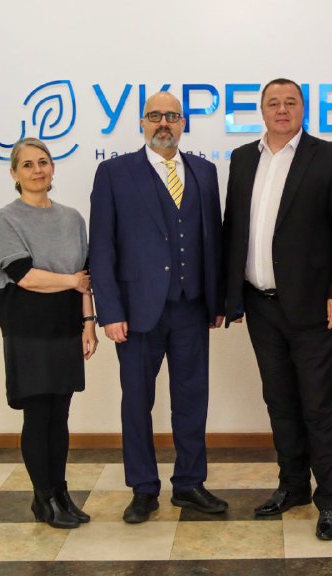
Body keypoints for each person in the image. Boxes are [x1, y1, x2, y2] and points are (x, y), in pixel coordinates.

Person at [222, 78, 332, 541]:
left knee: (321, 407)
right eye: (273, 103)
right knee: (280, 402)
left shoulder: (330, 156)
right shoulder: (243, 158)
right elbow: (233, 230)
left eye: (290, 102)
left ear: (303, 108)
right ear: (261, 110)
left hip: (316, 308)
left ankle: (331, 500)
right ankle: (293, 486)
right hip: (260, 306)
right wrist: (229, 297)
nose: (282, 109)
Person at [89, 91, 227, 524]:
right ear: (142, 123)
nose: (163, 123)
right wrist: (110, 311)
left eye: (171, 116)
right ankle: (143, 488)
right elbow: (101, 246)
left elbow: (213, 240)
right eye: (155, 116)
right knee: (137, 403)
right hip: (136, 312)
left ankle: (189, 483)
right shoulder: (114, 173)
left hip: (192, 308)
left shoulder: (204, 172)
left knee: (192, 399)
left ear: (183, 123)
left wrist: (217, 299)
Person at [0, 137, 97, 529]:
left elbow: (85, 278)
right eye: (28, 165)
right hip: (28, 330)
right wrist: (70, 281)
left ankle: (61, 492)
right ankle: (43, 497)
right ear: (14, 173)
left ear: (53, 167)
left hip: (65, 327)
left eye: (43, 162)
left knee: (60, 415)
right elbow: (24, 276)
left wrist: (89, 324)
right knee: (38, 416)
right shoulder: (8, 217)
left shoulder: (72, 218)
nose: (37, 170)